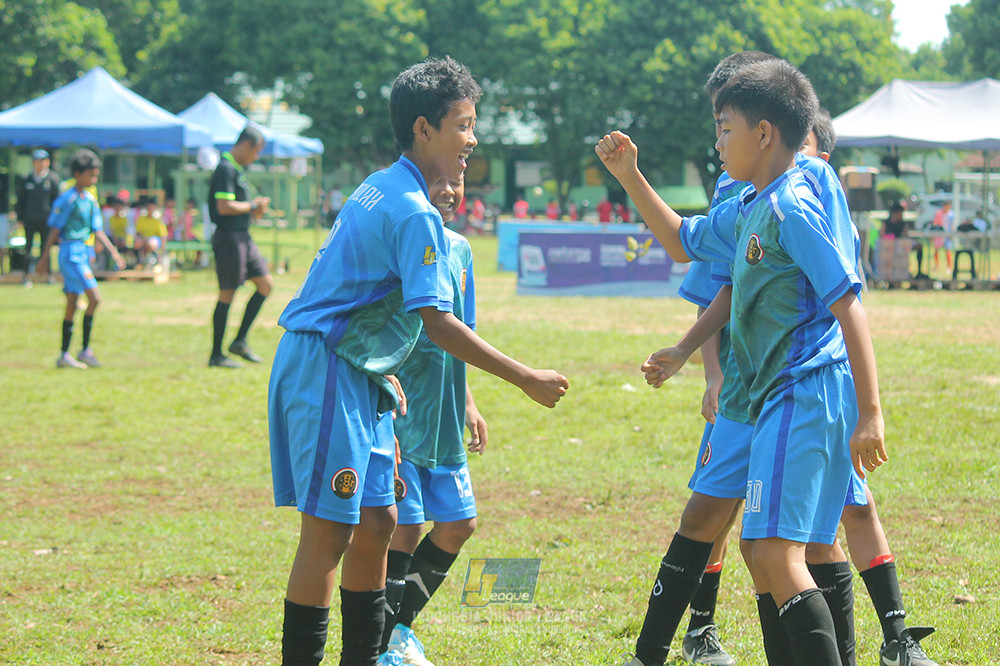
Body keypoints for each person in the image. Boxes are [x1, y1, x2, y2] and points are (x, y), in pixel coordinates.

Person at [268, 56, 568, 666]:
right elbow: (438, 322)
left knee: (379, 523)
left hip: (363, 374)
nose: (472, 139)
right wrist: (524, 377)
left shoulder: (384, 184)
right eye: (463, 125)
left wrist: (384, 368)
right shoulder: (411, 208)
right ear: (423, 129)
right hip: (329, 367)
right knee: (329, 533)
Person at [600, 58, 887, 666]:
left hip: (802, 390)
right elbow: (682, 241)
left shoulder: (794, 205)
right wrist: (630, 176)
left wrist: (871, 413)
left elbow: (850, 307)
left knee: (778, 553)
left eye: (724, 128)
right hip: (769, 395)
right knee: (764, 551)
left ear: (764, 134)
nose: (717, 143)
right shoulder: (749, 205)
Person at [378, 175, 484, 666]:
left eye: (457, 181)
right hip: (403, 416)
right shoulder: (400, 240)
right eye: (438, 181)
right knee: (405, 527)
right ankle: (383, 646)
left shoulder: (461, 250)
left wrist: (468, 403)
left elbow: (463, 333)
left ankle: (397, 631)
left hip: (444, 417)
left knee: (459, 523)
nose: (449, 190)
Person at [36, 150, 125, 368]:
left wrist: (113, 252)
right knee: (95, 298)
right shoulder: (68, 199)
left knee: (72, 303)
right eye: (90, 175)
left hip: (84, 253)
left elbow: (97, 230)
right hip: (70, 254)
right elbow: (55, 230)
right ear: (77, 174)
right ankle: (85, 350)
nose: (94, 180)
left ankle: (64, 355)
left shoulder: (90, 200)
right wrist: (44, 257)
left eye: (96, 176)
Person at [207, 125, 272, 368]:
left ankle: (239, 341)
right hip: (229, 238)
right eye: (256, 151)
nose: (256, 157)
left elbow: (237, 206)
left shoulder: (236, 170)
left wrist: (253, 209)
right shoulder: (225, 168)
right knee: (227, 293)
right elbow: (224, 207)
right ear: (246, 145)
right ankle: (216, 355)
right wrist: (252, 206)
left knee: (265, 285)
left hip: (243, 236)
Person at [15, 149, 61, 286]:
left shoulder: (52, 179)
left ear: (47, 162)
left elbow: (57, 201)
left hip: (46, 220)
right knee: (28, 248)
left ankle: (48, 275)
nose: (40, 164)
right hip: (29, 219)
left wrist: (56, 219)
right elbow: (20, 201)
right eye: (37, 161)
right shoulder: (27, 179)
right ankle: (26, 276)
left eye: (42, 161)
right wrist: (20, 218)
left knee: (46, 248)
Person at [883, 203, 925, 279]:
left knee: (919, 246)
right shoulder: (886, 223)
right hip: (890, 246)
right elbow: (882, 235)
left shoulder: (903, 223)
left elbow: (906, 236)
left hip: (901, 245)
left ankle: (919, 272)